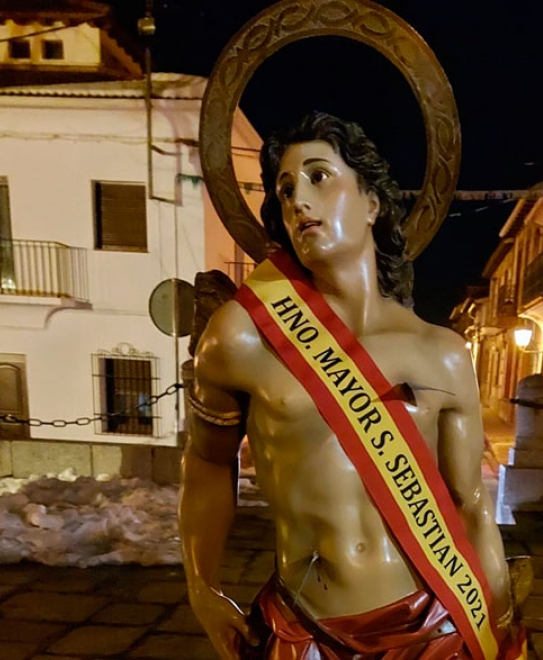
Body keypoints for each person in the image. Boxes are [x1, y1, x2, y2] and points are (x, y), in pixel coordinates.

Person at [180, 111, 521, 659]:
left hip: (436, 624)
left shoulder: (443, 351)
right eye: (285, 188)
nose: (297, 200)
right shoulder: (242, 337)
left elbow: (473, 504)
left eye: (319, 176)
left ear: (372, 203)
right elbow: (206, 461)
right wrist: (202, 588)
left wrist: (500, 620)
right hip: (306, 628)